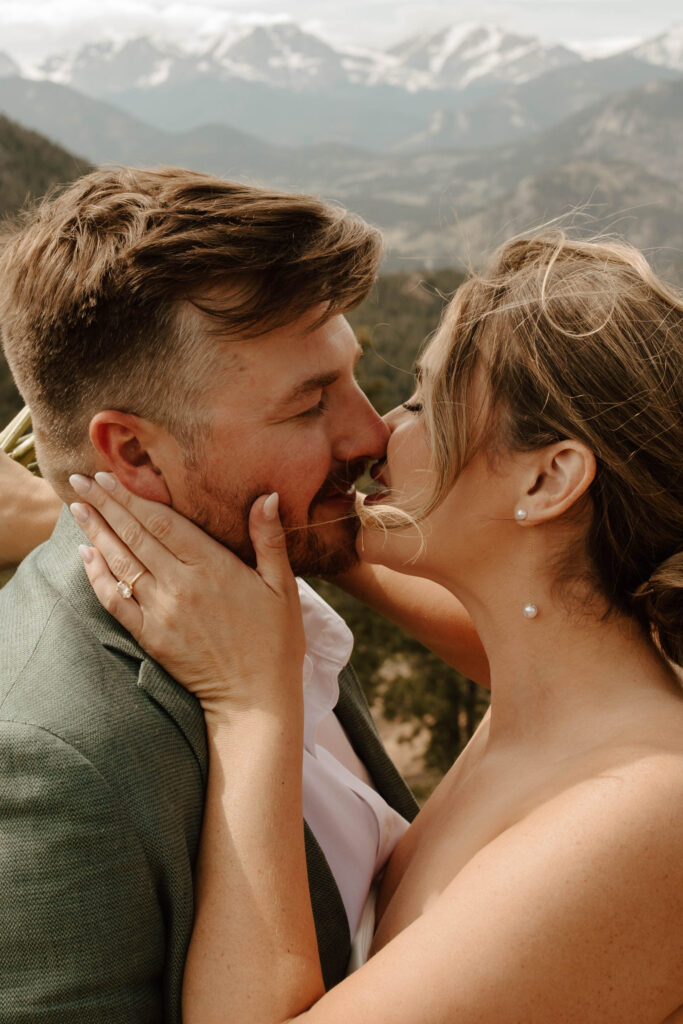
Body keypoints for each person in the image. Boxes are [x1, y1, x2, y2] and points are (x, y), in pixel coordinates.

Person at [72, 233, 683, 1022]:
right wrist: (309, 529)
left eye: (424, 403)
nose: (380, 433)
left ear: (547, 477)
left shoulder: (638, 812)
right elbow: (527, 631)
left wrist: (250, 706)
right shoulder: (547, 703)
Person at [0, 166, 486, 1023]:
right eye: (308, 405)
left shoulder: (259, 582)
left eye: (351, 375)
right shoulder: (43, 754)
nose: (371, 432)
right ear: (136, 455)